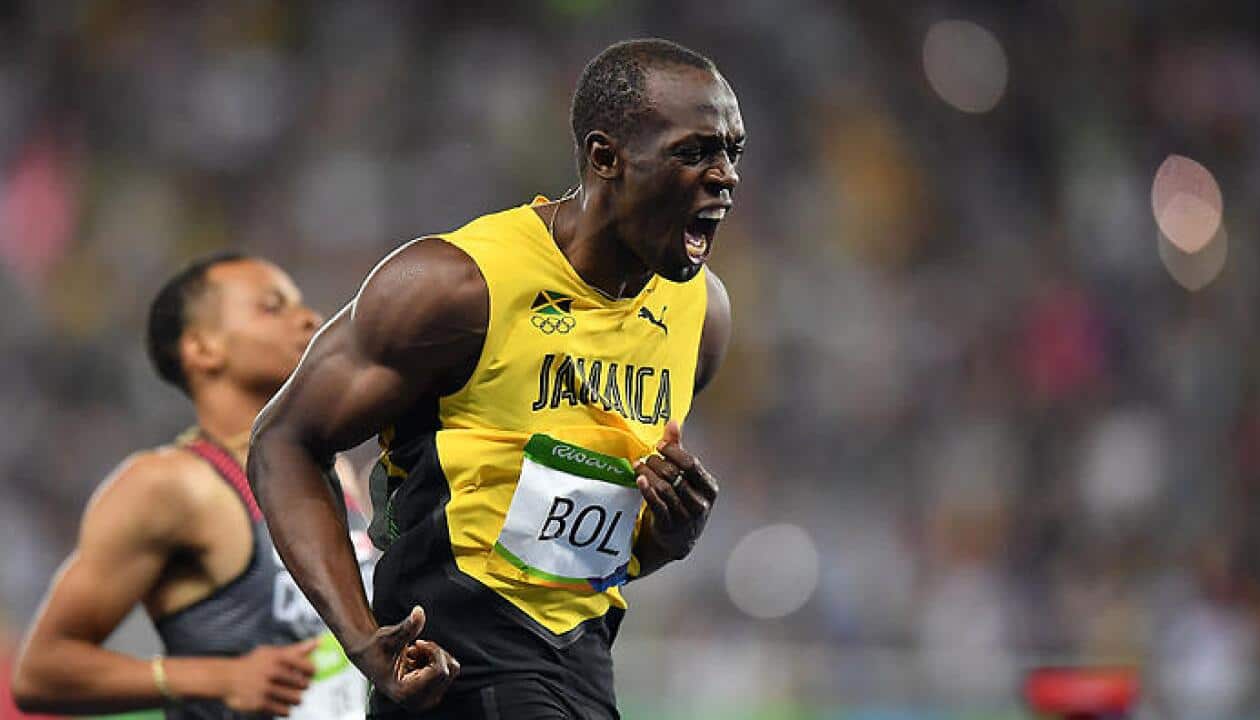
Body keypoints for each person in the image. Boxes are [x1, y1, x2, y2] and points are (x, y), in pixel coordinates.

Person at [248, 37, 741, 719]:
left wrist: (665, 538)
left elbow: (578, 555)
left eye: (732, 153)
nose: (725, 177)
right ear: (606, 158)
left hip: (579, 667)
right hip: (456, 671)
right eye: (694, 152)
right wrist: (365, 642)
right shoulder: (455, 285)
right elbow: (283, 444)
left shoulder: (700, 314)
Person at [11, 253, 377, 719]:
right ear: (203, 349)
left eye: (299, 304)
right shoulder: (170, 486)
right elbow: (41, 671)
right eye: (272, 306)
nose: (309, 318)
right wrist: (219, 679)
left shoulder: (333, 469)